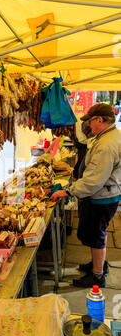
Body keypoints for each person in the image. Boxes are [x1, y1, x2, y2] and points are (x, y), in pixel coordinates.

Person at [50, 103, 121, 288]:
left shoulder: (106, 144)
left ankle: (97, 276)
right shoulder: (108, 136)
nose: (89, 125)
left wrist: (68, 191)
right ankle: (98, 264)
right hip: (106, 194)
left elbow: (93, 180)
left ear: (100, 119)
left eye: (90, 121)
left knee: (97, 234)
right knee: (99, 232)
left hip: (102, 196)